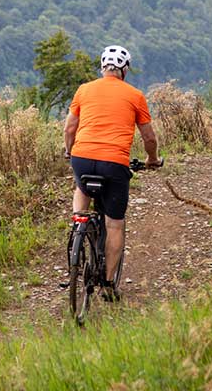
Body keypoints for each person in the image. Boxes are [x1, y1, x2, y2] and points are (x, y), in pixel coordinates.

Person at [63, 44, 160, 297]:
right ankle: (107, 285)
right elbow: (149, 138)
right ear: (124, 70)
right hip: (114, 163)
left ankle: (78, 224)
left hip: (81, 158)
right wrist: (152, 159)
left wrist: (69, 150)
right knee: (114, 224)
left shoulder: (84, 90)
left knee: (81, 185)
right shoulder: (135, 95)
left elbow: (69, 128)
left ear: (102, 67)